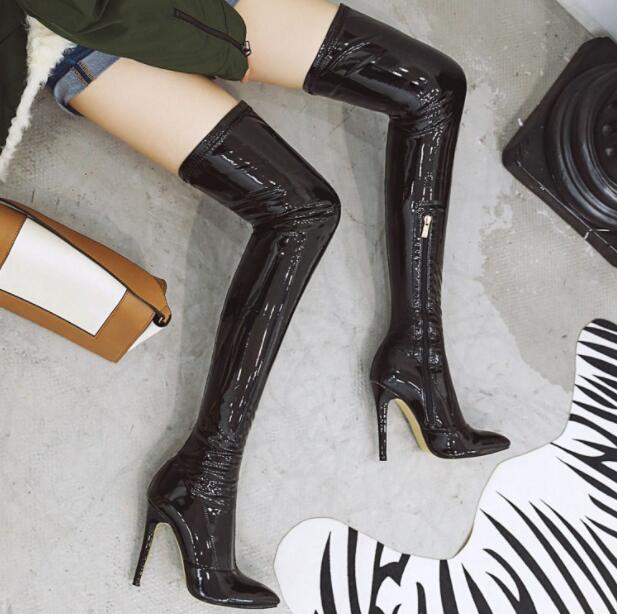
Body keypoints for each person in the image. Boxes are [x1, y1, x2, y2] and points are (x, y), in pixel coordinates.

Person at [1, 0, 510, 608]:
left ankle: (417, 353)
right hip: (92, 25)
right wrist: (222, 42)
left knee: (433, 87)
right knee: (302, 212)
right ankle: (203, 477)